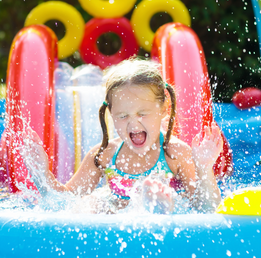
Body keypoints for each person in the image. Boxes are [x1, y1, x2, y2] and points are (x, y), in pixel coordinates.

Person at [23, 58, 223, 214]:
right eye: (122, 116)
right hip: (120, 233)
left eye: (142, 114)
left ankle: (156, 203)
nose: (133, 123)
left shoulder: (175, 153)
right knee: (91, 205)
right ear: (111, 114)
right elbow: (63, 202)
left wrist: (204, 168)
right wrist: (41, 173)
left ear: (163, 109)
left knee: (161, 200)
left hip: (167, 232)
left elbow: (205, 208)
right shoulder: (104, 155)